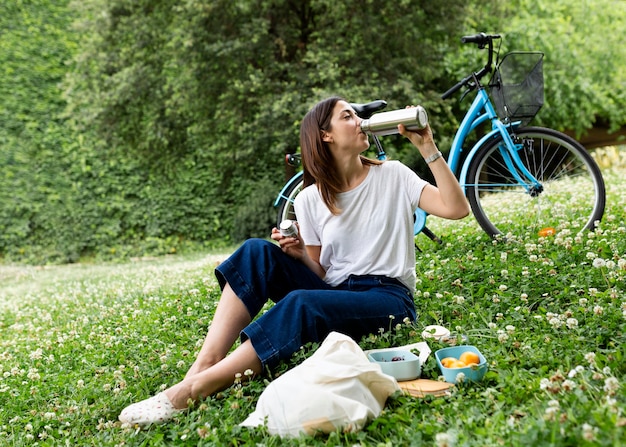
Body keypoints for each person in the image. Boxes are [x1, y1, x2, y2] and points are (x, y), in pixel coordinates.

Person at [118, 96, 469, 426]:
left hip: (388, 298)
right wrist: (300, 254)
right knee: (257, 251)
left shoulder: (393, 175)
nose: (359, 121)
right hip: (334, 292)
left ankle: (192, 390)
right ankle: (204, 364)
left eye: (356, 115)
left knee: (302, 302)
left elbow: (456, 209)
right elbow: (322, 274)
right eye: (348, 116)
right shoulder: (310, 199)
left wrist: (427, 147)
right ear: (325, 136)